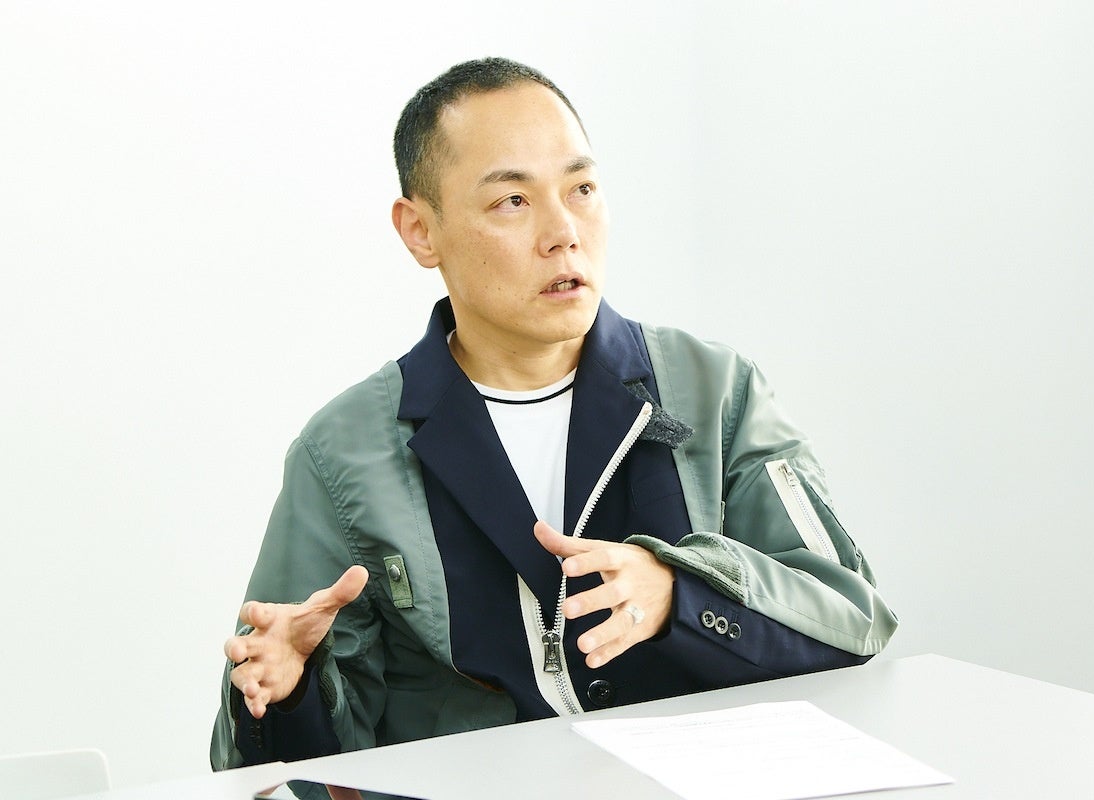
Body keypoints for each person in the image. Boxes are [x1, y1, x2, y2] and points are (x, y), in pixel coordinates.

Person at [211, 57, 897, 775]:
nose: (564, 231)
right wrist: (288, 697)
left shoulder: (717, 389)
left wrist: (682, 593)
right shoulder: (341, 453)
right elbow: (268, 769)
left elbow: (850, 617)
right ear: (420, 231)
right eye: (512, 200)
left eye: (582, 189)